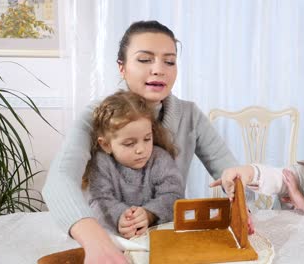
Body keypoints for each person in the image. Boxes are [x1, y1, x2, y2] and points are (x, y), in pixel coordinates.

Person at [42, 20, 237, 264]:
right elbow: (59, 180)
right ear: (121, 68)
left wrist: (239, 197)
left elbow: (229, 170)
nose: (159, 70)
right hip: (109, 241)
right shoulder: (97, 116)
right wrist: (96, 242)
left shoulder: (190, 115)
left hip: (168, 245)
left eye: (169, 61)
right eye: (145, 60)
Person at [84, 90, 184, 239]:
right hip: (115, 240)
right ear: (106, 145)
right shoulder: (101, 162)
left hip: (158, 238)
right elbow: (98, 200)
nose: (141, 150)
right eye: (129, 143)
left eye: (147, 139)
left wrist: (149, 214)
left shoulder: (160, 158)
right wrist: (121, 218)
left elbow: (174, 195)